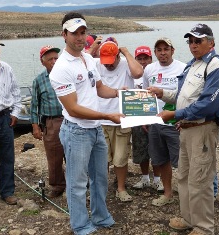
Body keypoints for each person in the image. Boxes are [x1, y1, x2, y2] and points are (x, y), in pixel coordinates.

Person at [149, 24, 219, 234]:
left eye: (198, 41)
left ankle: (204, 227)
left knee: (200, 180)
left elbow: (209, 104)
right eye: (190, 41)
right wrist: (162, 93)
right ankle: (188, 218)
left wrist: (174, 114)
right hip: (185, 129)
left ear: (211, 42)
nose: (193, 45)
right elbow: (182, 95)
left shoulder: (216, 65)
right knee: (184, 176)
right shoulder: (191, 65)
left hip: (202, 129)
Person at [49, 12, 124, 234]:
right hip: (77, 131)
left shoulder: (88, 58)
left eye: (83, 32)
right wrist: (108, 116)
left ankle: (101, 216)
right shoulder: (61, 68)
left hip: (95, 129)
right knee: (77, 183)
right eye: (74, 33)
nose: (80, 38)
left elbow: (100, 88)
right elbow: (73, 108)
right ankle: (80, 225)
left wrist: (123, 93)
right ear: (64, 34)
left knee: (101, 178)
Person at [95, 38, 143, 202]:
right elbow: (80, 64)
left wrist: (127, 53)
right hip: (101, 118)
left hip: (122, 119)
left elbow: (138, 73)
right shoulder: (96, 64)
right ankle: (100, 189)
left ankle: (121, 188)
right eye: (105, 61)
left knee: (121, 158)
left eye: (111, 61)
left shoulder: (125, 64)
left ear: (117, 57)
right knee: (101, 159)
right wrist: (95, 46)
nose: (107, 65)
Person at [143, 37, 186, 206]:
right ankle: (167, 194)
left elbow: (186, 97)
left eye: (166, 49)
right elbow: (146, 94)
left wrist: (184, 119)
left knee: (182, 163)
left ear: (172, 51)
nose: (163, 53)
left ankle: (186, 197)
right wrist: (145, 118)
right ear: (155, 53)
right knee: (160, 160)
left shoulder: (183, 68)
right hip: (155, 122)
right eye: (159, 50)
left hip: (174, 123)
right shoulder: (149, 69)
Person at [30, 45, 66, 198]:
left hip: (70, 119)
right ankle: (57, 186)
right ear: (42, 62)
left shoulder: (66, 75)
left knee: (74, 154)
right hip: (51, 122)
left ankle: (78, 183)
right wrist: (35, 126)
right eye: (50, 59)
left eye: (56, 58)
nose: (54, 61)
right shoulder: (38, 80)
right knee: (54, 156)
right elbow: (34, 105)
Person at [0, 35, 21, 205]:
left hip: (5, 118)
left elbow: (16, 93)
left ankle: (7, 191)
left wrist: (15, 113)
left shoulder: (7, 69)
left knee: (8, 157)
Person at [131, 46, 164, 191]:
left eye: (146, 58)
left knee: (156, 150)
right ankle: (145, 178)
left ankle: (157, 179)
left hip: (155, 118)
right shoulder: (131, 73)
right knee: (140, 150)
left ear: (151, 58)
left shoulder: (156, 72)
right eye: (140, 59)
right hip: (137, 118)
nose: (143, 61)